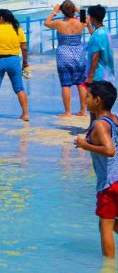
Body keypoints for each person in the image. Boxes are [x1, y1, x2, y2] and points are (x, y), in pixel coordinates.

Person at [74, 80, 118, 260]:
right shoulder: (114, 119)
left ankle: (109, 268)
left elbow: (110, 150)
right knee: (109, 223)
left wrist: (84, 145)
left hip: (110, 183)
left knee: (105, 226)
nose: (85, 101)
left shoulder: (100, 124)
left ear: (98, 100)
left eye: (88, 97)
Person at [45, 0, 89, 116]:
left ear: (62, 11)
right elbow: (88, 18)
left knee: (66, 84)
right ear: (73, 10)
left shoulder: (59, 23)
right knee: (81, 83)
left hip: (64, 55)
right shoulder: (81, 22)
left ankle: (67, 111)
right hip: (80, 54)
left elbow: (46, 23)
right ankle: (83, 110)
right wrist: (77, 9)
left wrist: (54, 12)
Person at [0, 9, 30, 121]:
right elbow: (24, 48)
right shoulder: (18, 30)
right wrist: (25, 62)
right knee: (19, 88)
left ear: (1, 18)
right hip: (14, 61)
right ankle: (25, 114)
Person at [86, 5, 114, 87]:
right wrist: (88, 25)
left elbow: (96, 56)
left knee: (92, 94)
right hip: (105, 72)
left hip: (97, 75)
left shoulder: (97, 35)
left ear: (93, 18)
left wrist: (91, 76)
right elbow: (97, 39)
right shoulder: (104, 31)